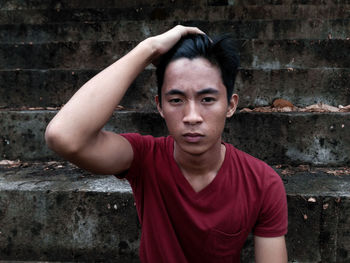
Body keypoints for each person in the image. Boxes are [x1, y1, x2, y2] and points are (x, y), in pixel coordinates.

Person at [45, 25, 288, 262]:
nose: (192, 116)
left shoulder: (262, 182)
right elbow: (63, 136)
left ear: (231, 105)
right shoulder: (144, 158)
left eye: (207, 99)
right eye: (176, 99)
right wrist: (149, 48)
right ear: (160, 106)